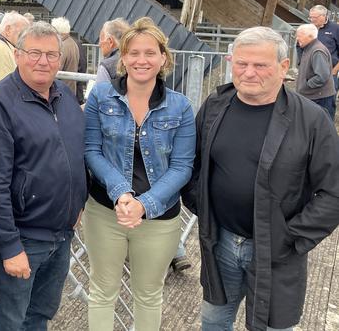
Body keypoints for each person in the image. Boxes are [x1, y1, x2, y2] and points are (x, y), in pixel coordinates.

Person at [182, 26, 339, 331]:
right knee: (213, 321)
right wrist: (203, 206)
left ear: (283, 68)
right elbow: (192, 165)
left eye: (260, 65)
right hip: (221, 242)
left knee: (272, 327)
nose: (249, 72)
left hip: (277, 251)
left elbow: (333, 192)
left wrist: (291, 237)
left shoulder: (311, 120)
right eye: (241, 63)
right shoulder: (215, 107)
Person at [84, 17, 195, 331]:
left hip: (159, 219)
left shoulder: (181, 107)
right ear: (123, 57)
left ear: (163, 58)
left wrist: (144, 203)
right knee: (102, 291)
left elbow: (182, 167)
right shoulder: (100, 97)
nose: (141, 60)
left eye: (149, 53)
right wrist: (121, 191)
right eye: (133, 52)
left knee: (148, 294)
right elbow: (92, 150)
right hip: (106, 211)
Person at [0, 21, 87, 330]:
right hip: (23, 238)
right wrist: (10, 247)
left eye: (51, 54)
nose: (43, 61)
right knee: (9, 321)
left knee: (39, 316)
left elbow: (77, 153)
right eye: (34, 52)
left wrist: (78, 202)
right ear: (17, 55)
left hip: (61, 235)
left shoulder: (65, 97)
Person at [295, 23, 335, 118]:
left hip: (320, 98)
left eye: (299, 36)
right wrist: (299, 46)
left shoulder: (317, 51)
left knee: (324, 128)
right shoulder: (308, 48)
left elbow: (322, 76)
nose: (297, 38)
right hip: (314, 97)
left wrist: (307, 85)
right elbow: (301, 61)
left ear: (310, 36)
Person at [307, 5, 339, 98]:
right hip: (311, 73)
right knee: (310, 102)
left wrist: (335, 70)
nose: (312, 20)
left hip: (330, 73)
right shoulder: (308, 28)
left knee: (328, 102)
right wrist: (301, 62)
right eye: (310, 17)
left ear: (324, 16)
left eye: (314, 17)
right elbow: (299, 45)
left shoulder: (335, 29)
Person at [51, 16, 80, 94]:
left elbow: (56, 68)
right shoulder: (72, 43)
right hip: (70, 89)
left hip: (61, 91)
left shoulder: (62, 46)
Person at [96, 18, 129, 85]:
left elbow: (101, 94)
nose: (99, 44)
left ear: (110, 41)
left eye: (101, 39)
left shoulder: (106, 67)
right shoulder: (136, 60)